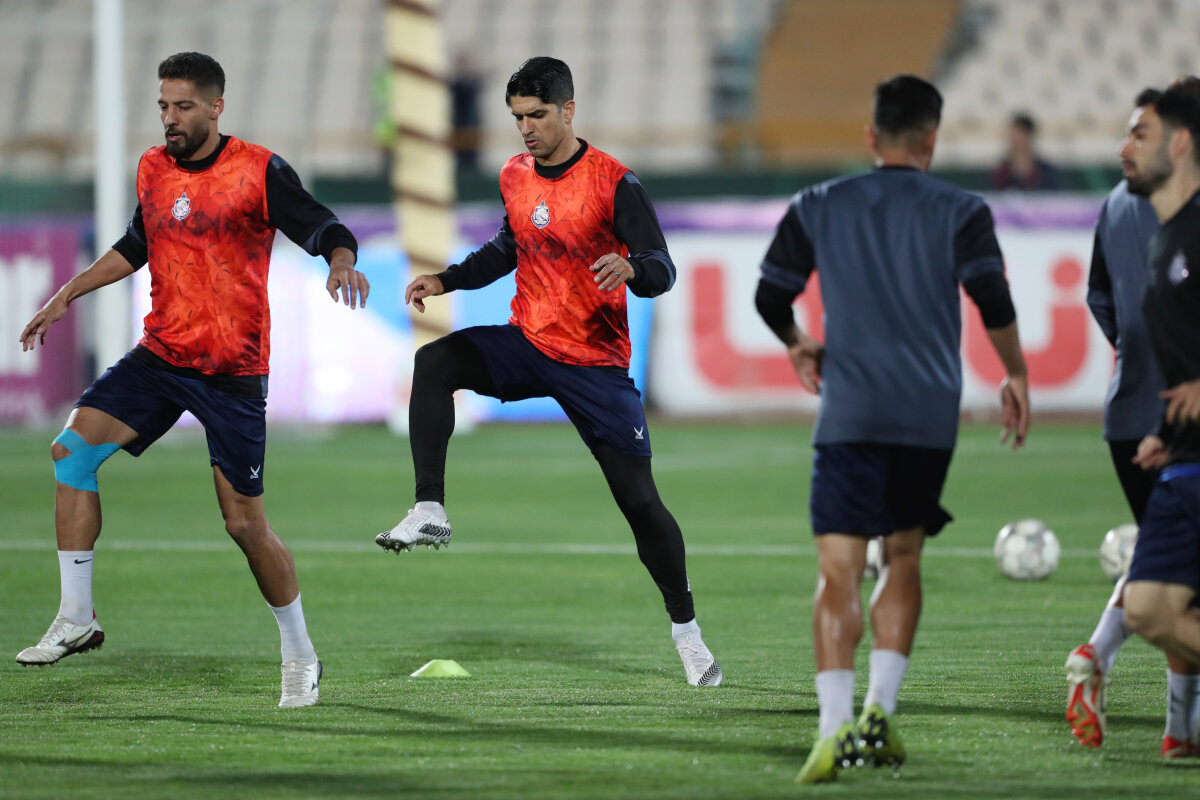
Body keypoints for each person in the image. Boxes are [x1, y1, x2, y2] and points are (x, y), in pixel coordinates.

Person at [16, 52, 370, 709]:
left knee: (244, 526)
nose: (170, 118)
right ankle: (76, 616)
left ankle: (300, 655)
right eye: (163, 106)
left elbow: (324, 226)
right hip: (161, 357)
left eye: (183, 106)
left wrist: (340, 260)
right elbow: (137, 244)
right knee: (71, 451)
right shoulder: (153, 168)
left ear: (215, 107)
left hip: (232, 372)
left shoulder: (259, 170)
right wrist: (67, 293)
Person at [374, 56, 722, 687]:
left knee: (640, 503)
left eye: (536, 115)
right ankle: (429, 507)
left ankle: (688, 634)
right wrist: (447, 280)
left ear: (568, 110)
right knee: (435, 361)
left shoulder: (614, 182)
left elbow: (662, 268)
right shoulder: (515, 174)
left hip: (594, 363)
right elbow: (507, 248)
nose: (526, 128)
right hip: (529, 341)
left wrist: (634, 270)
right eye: (517, 118)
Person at [754, 75, 1030, 783]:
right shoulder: (963, 210)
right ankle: (879, 709)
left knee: (838, 570)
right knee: (903, 558)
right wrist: (1015, 372)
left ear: (872, 136)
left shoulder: (820, 203)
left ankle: (831, 730)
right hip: (927, 413)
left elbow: (770, 294)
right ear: (932, 139)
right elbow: (991, 296)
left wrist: (797, 341)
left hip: (850, 412)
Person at [1067, 81, 1200, 758]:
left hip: (1134, 410)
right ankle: (1175, 722)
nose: (1124, 148)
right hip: (1173, 430)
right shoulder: (1171, 225)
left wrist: (1134, 356)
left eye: (1139, 133)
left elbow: (1099, 296)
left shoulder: (1124, 209)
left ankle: (1175, 726)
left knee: (1170, 580)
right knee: (1167, 590)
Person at [1114, 79, 1200, 753]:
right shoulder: (1166, 241)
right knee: (1147, 608)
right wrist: (1165, 433)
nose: (1126, 148)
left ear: (1180, 144)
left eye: (1139, 134)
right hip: (1186, 455)